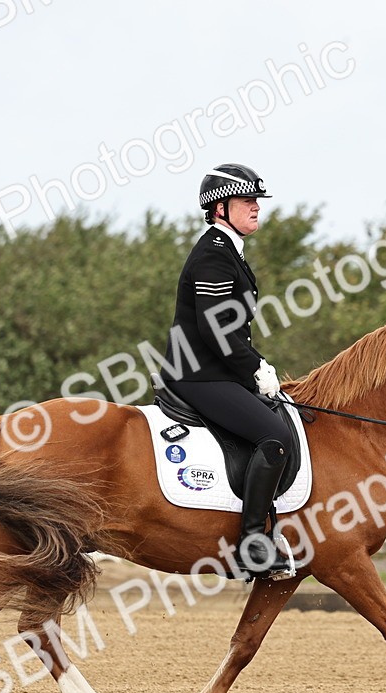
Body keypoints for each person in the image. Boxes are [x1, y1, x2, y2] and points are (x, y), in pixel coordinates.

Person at [160, 163, 294, 579]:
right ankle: (252, 544)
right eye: (247, 201)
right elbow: (216, 330)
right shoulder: (213, 257)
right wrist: (255, 368)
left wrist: (254, 367)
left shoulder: (229, 251)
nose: (256, 208)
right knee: (274, 437)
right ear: (220, 208)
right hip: (197, 374)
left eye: (257, 201)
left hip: (217, 371)